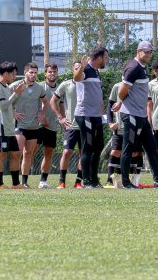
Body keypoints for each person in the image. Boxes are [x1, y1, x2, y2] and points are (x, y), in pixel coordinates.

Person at [112, 40, 158, 189]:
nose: (148, 54)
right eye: (145, 51)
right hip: (131, 114)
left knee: (151, 146)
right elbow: (122, 90)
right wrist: (121, 102)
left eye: (150, 52)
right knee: (128, 147)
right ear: (138, 51)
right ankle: (126, 182)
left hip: (141, 115)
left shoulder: (142, 67)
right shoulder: (133, 68)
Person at [73, 45, 108, 188]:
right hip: (85, 115)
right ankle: (86, 181)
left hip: (96, 116)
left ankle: (94, 179)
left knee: (98, 146)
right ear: (99, 58)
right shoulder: (86, 69)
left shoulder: (96, 72)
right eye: (106, 57)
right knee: (87, 147)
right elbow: (76, 77)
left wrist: (102, 112)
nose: (107, 60)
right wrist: (81, 67)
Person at [0, 61, 26, 188]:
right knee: (1, 155)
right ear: (5, 73)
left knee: (16, 153)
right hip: (0, 127)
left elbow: (10, 105)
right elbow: (3, 106)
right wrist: (16, 93)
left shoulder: (5, 87)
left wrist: (17, 93)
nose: (14, 76)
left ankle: (15, 183)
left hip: (9, 127)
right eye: (13, 74)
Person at [12, 62, 47, 188]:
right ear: (25, 72)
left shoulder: (39, 88)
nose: (33, 75)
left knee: (28, 154)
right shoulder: (16, 85)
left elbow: (45, 101)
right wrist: (13, 112)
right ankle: (15, 181)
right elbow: (5, 101)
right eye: (31, 72)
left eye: (36, 73)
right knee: (17, 153)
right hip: (19, 126)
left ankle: (24, 182)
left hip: (33, 126)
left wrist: (42, 114)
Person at [51, 61, 84, 189]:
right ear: (73, 70)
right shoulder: (66, 84)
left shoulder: (87, 84)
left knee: (83, 153)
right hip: (71, 126)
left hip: (85, 125)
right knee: (66, 152)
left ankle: (78, 182)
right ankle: (61, 181)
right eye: (76, 68)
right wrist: (61, 117)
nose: (78, 70)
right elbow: (53, 101)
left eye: (80, 68)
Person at [37, 64, 62, 188]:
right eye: (50, 72)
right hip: (37, 126)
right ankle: (23, 181)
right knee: (29, 152)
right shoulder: (39, 86)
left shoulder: (60, 88)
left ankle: (43, 181)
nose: (52, 74)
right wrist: (41, 116)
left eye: (54, 72)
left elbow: (61, 105)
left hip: (51, 126)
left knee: (48, 152)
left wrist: (62, 119)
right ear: (45, 73)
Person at [105, 81, 126, 188]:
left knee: (134, 153)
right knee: (115, 152)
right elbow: (110, 105)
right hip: (120, 127)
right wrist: (110, 122)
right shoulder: (117, 86)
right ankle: (110, 180)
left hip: (135, 127)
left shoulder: (138, 85)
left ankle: (129, 181)